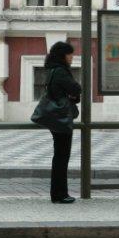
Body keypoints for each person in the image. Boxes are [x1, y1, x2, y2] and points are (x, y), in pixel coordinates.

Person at [39, 41, 82, 204]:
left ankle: (57, 193)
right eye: (69, 54)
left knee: (59, 156)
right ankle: (60, 194)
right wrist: (73, 95)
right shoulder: (61, 71)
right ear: (63, 55)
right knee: (62, 157)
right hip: (61, 118)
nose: (72, 57)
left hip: (55, 117)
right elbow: (76, 89)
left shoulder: (51, 69)